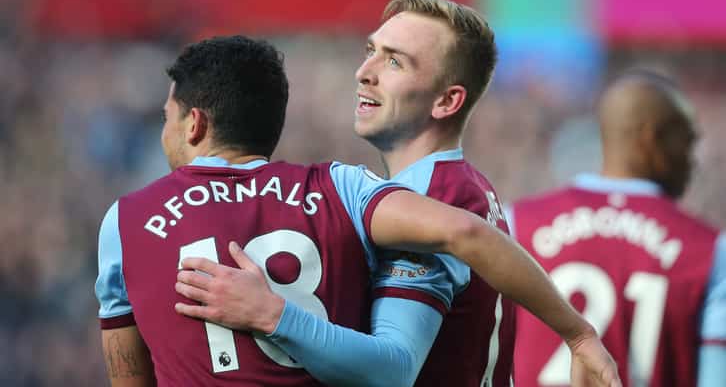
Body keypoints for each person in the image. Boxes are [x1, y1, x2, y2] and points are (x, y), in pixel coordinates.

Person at [95, 35, 620, 386]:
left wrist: (272, 317)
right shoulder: (342, 189)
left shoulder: (125, 222)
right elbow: (470, 233)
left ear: (194, 124)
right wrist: (576, 331)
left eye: (167, 117)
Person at [506, 70, 726, 387]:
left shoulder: (515, 226)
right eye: (687, 140)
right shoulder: (709, 253)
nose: (693, 160)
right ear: (651, 138)